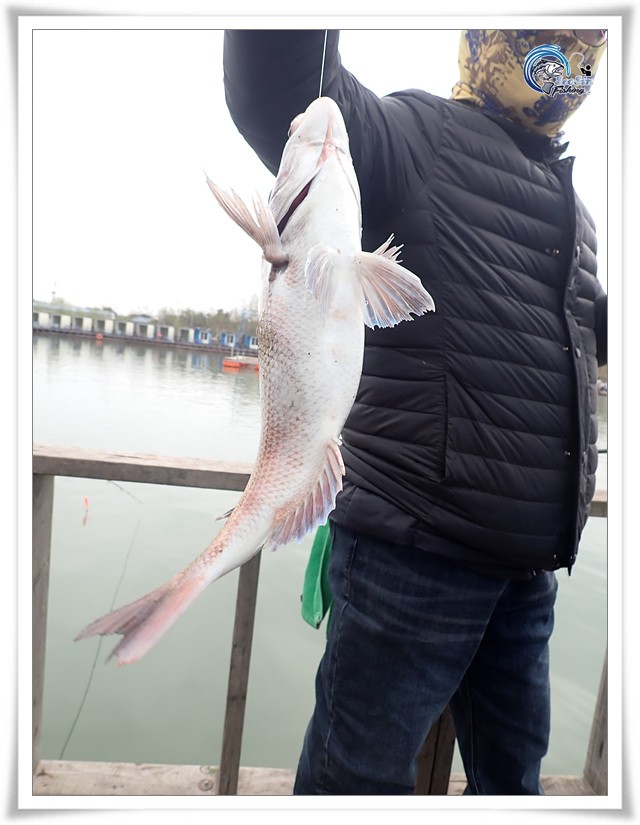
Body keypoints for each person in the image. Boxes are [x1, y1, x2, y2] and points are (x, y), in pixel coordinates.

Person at [222, 29, 608, 795]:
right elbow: (282, 89)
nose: (571, 58)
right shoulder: (417, 137)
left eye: (584, 45)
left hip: (528, 573)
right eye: (551, 40)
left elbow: (588, 336)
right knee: (355, 784)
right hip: (414, 556)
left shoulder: (576, 212)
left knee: (514, 783)